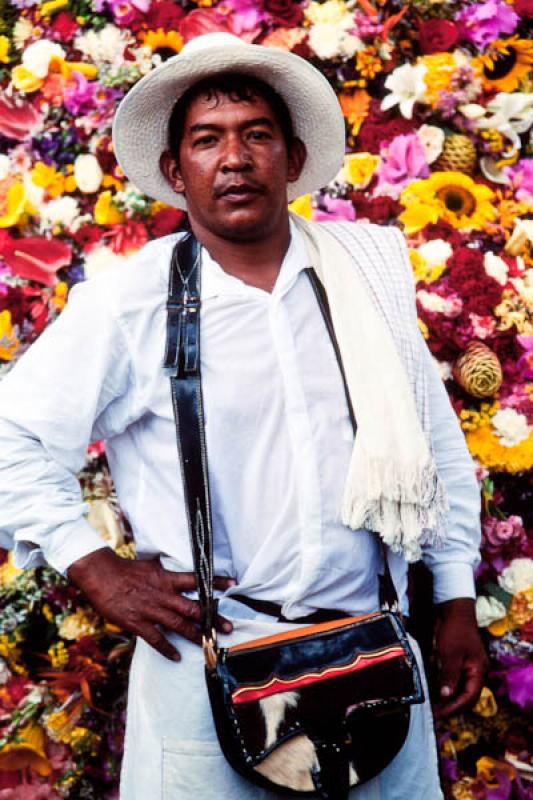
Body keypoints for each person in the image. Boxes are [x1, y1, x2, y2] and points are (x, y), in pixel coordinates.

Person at [0, 32, 487, 799]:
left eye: (256, 135)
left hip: (374, 652)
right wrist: (90, 563)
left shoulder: (360, 282)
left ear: (292, 161)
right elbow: (12, 435)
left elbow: (435, 448)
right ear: (174, 171)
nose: (234, 158)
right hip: (211, 663)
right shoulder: (133, 301)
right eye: (206, 140)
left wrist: (454, 596)